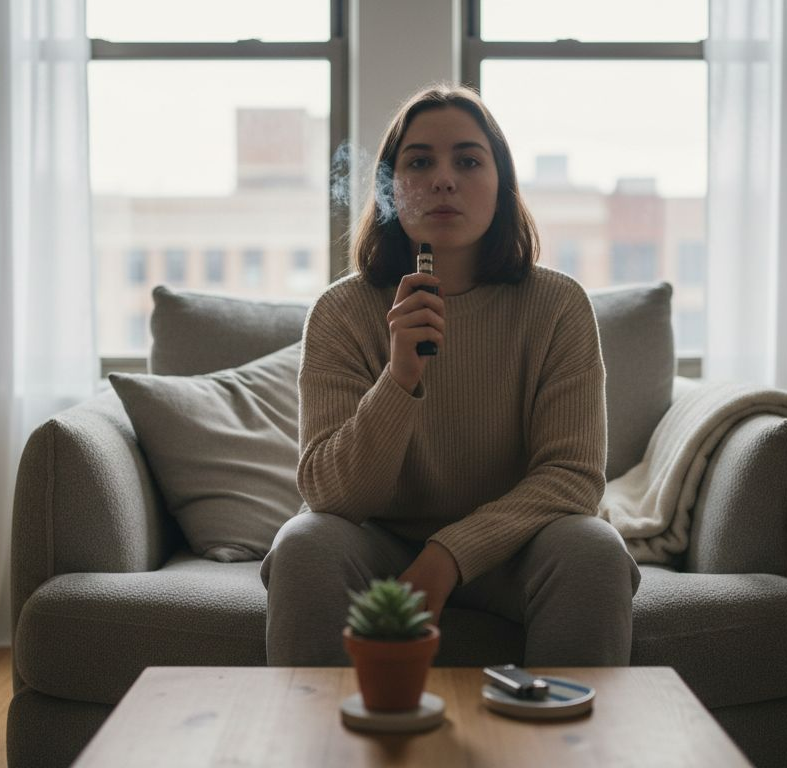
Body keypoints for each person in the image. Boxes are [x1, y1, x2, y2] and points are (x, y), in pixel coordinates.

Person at [261, 84, 639, 666]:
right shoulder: (342, 312)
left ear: (501, 184)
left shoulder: (558, 306)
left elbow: (572, 479)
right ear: (390, 187)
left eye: (467, 160)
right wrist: (400, 378)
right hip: (378, 547)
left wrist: (445, 558)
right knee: (304, 543)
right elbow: (329, 495)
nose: (443, 179)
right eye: (419, 162)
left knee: (593, 549)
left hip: (517, 548)